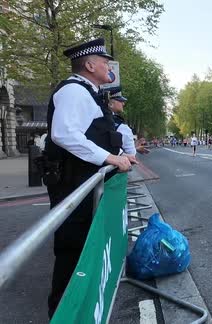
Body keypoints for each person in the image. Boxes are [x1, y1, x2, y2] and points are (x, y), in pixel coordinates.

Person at [42, 38, 132, 318]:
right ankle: (64, 314)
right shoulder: (74, 91)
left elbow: (95, 134)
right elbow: (65, 134)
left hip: (82, 186)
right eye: (104, 61)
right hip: (73, 187)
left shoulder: (89, 92)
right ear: (89, 65)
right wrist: (111, 158)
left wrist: (119, 152)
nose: (109, 65)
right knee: (72, 254)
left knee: (83, 251)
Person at [108, 87, 149, 156]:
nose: (123, 104)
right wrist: (134, 148)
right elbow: (131, 154)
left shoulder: (97, 118)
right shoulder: (122, 127)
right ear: (111, 104)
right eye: (120, 101)